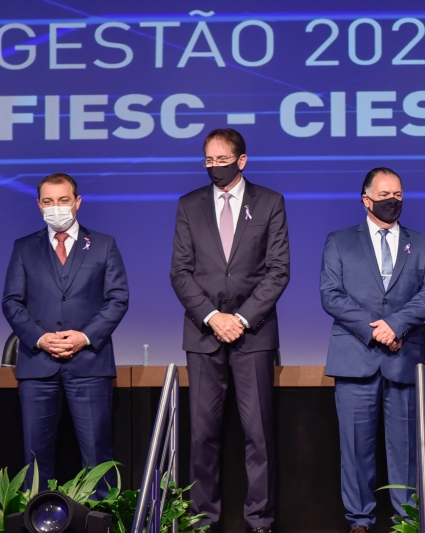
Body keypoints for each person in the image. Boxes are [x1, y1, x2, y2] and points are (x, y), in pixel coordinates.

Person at [170, 128, 290, 533]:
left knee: (259, 435)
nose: (214, 167)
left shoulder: (270, 202)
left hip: (253, 334)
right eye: (208, 160)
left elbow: (278, 270)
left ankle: (260, 521)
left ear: (242, 160)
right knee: (202, 435)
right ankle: (202, 521)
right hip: (203, 334)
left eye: (222, 160)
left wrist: (240, 319)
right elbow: (180, 272)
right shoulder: (189, 205)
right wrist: (212, 316)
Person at [320, 168, 425, 533]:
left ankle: (407, 521)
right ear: (366, 199)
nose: (393, 201)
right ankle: (359, 520)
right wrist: (376, 331)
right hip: (355, 357)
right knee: (355, 448)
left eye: (398, 195)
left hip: (403, 358)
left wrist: (396, 325)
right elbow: (331, 294)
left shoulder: (424, 245)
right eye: (385, 194)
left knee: (406, 449)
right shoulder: (339, 241)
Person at [2, 173, 129, 491]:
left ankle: (102, 515)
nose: (55, 207)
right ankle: (37, 515)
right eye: (48, 201)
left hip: (90, 364)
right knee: (35, 459)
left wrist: (84, 337)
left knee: (97, 457)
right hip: (38, 366)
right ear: (39, 205)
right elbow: (12, 302)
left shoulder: (103, 244)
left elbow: (118, 299)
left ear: (77, 202)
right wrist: (40, 338)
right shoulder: (24, 247)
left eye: (63, 200)